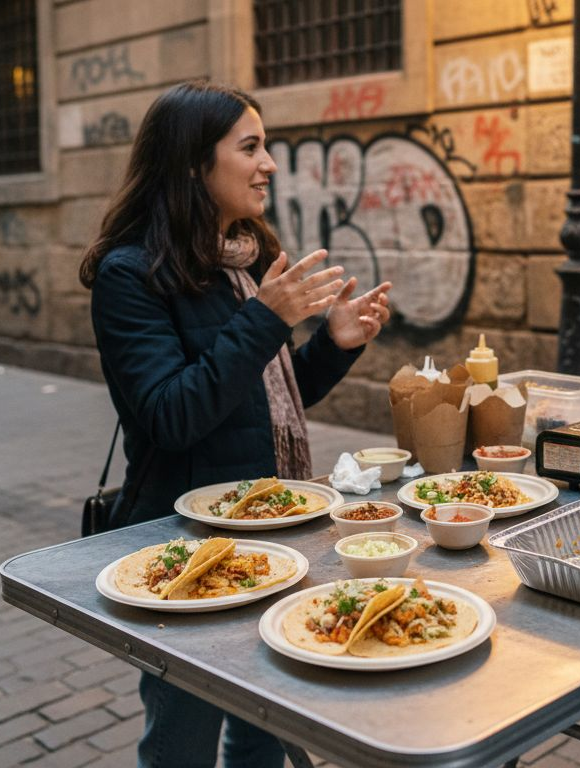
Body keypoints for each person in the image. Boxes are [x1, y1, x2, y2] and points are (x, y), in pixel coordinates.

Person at [78, 81, 391, 768]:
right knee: (183, 739)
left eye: (267, 147)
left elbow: (263, 402)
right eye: (250, 147)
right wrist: (265, 321)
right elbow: (172, 416)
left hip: (271, 538)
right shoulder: (130, 277)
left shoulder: (243, 262)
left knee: (264, 723)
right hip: (186, 553)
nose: (269, 164)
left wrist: (333, 345)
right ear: (194, 163)